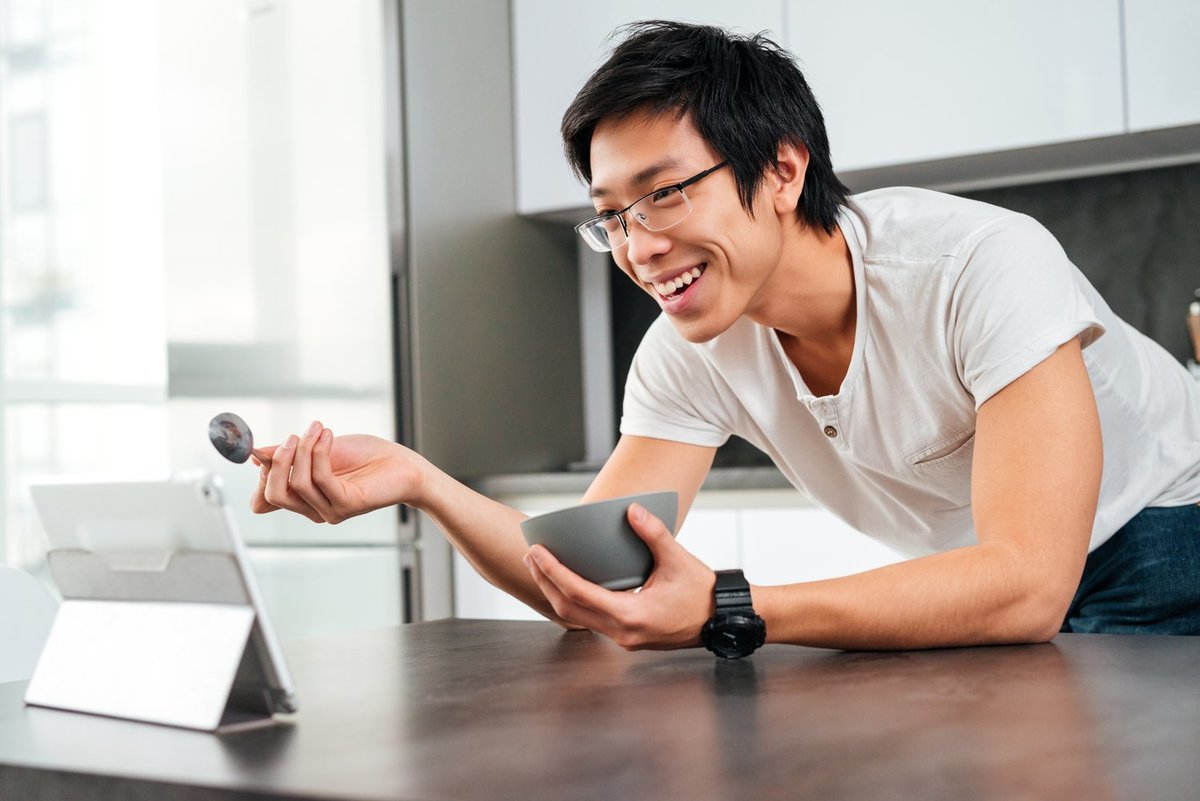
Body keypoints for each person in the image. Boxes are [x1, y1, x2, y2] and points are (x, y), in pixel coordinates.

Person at [252, 20, 1200, 653]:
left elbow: (1029, 584)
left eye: (664, 193)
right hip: (982, 578)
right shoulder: (690, 347)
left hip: (1162, 527)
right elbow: (592, 575)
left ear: (784, 169)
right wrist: (422, 480)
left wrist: (726, 608)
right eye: (612, 215)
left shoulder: (980, 264)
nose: (638, 244)